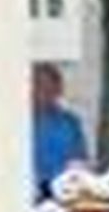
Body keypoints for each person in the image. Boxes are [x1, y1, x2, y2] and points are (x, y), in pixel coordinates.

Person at [30, 61, 88, 198]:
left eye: (51, 86)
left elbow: (79, 160)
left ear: (59, 89)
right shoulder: (17, 122)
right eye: (39, 85)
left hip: (63, 193)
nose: (45, 92)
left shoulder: (70, 122)